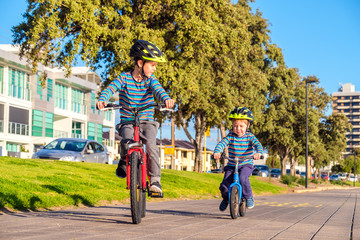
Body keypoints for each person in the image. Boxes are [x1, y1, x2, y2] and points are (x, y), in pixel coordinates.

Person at [97, 40, 174, 194]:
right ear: (140, 63)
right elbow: (111, 88)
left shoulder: (151, 80)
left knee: (151, 146)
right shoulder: (124, 78)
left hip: (147, 121)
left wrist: (166, 99)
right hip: (128, 120)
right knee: (126, 142)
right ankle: (124, 161)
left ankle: (155, 182)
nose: (154, 68)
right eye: (152, 65)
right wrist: (103, 99)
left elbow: (159, 90)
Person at [213, 107, 263, 210]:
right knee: (225, 184)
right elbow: (222, 143)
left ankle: (249, 197)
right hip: (232, 164)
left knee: (243, 178)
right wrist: (217, 152)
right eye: (235, 126)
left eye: (241, 126)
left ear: (247, 125)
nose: (238, 129)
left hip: (246, 164)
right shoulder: (230, 136)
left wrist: (258, 153)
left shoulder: (250, 137)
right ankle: (226, 199)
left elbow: (258, 145)